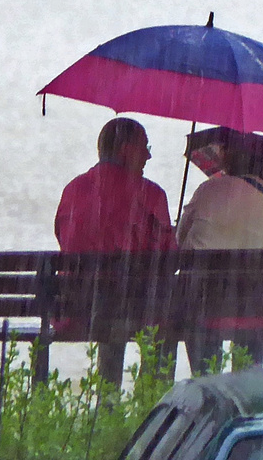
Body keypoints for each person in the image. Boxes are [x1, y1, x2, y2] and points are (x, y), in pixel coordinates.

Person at [176, 133, 263, 375]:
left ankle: (205, 380)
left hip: (206, 308)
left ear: (227, 158)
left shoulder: (207, 192)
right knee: (260, 307)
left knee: (195, 297)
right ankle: (247, 379)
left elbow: (180, 246)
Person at [54, 117, 176, 383]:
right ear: (125, 149)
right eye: (144, 147)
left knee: (114, 301)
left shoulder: (73, 191)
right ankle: (153, 398)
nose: (149, 155)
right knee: (164, 313)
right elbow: (168, 260)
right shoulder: (151, 195)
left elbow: (65, 241)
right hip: (137, 311)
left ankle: (107, 399)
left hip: (81, 311)